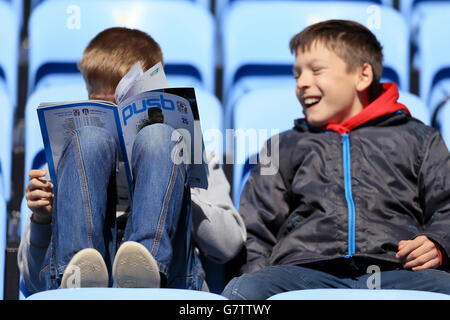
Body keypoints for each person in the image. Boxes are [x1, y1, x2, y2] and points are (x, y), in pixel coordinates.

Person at [222, 19, 450, 300]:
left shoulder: (420, 139)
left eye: (316, 70)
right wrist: (258, 273)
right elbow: (257, 229)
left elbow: (447, 207)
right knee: (242, 291)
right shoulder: (281, 146)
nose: (302, 83)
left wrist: (438, 244)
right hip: (304, 272)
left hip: (398, 271)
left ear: (362, 76)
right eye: (297, 75)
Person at [18, 27, 246, 293]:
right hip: (79, 288)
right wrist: (42, 221)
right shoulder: (68, 162)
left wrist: (174, 186)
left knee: (160, 137)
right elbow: (32, 282)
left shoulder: (193, 155)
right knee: (89, 141)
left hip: (169, 281)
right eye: (104, 107)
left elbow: (229, 245)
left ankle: (145, 266)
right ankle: (80, 276)